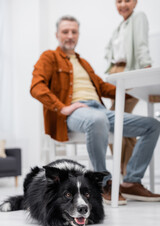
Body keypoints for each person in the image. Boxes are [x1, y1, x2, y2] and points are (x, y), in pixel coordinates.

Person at [30, 15, 160, 205]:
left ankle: (131, 181)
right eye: (65, 31)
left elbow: (106, 88)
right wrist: (63, 107)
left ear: (78, 35)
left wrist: (138, 86)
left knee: (152, 125)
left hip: (100, 110)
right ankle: (102, 183)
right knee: (98, 120)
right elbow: (36, 86)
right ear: (57, 34)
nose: (70, 35)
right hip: (76, 112)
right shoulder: (49, 57)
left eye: (74, 32)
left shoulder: (84, 64)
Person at [105, 0, 152, 176]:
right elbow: (111, 53)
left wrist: (146, 67)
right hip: (116, 74)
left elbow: (141, 44)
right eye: (119, 1)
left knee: (114, 122)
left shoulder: (138, 17)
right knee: (124, 126)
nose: (123, 4)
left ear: (135, 2)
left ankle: (125, 173)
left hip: (129, 72)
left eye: (127, 0)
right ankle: (127, 173)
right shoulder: (120, 26)